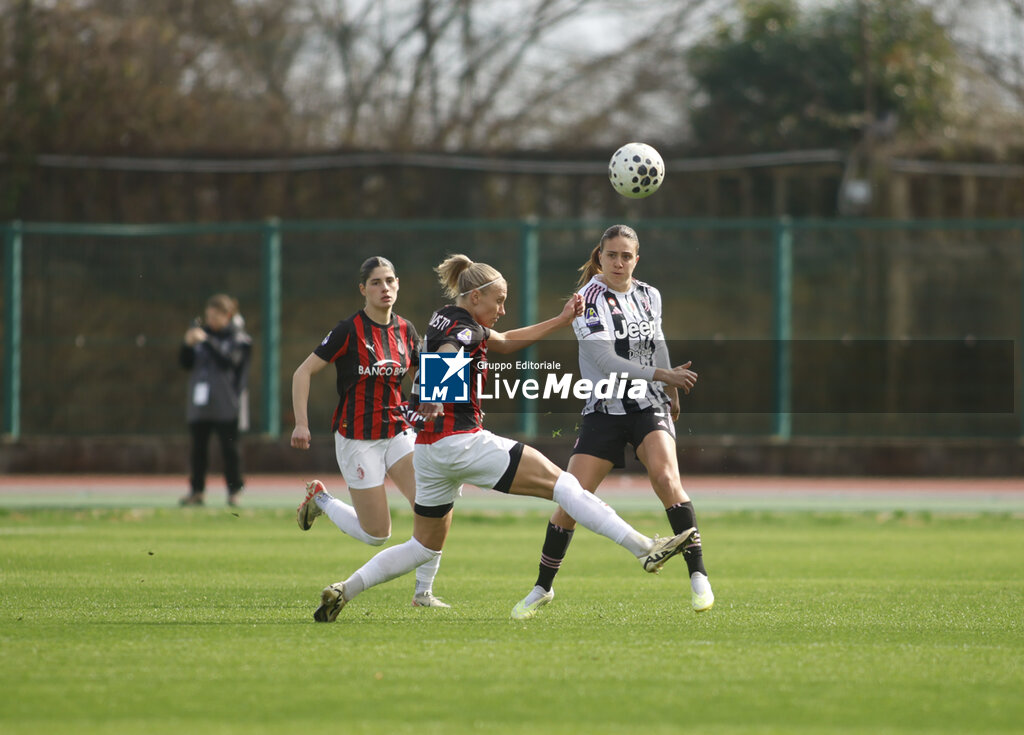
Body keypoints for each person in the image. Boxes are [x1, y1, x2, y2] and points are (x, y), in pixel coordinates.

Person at [310, 253, 702, 623]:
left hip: (428, 452)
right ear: (475, 296)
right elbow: (452, 349)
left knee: (423, 546)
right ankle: (644, 549)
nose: (502, 310)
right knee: (566, 485)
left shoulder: (447, 315)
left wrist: (561, 319)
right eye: (499, 302)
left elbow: (503, 341)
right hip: (461, 442)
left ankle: (346, 588)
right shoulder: (463, 328)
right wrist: (433, 392)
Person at [510, 224, 714, 619]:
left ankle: (698, 577)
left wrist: (669, 386)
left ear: (637, 259)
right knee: (571, 500)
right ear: (598, 257)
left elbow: (656, 341)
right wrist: (665, 376)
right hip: (603, 409)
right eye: (611, 255)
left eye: (626, 255)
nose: (619, 262)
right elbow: (605, 360)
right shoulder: (587, 299)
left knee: (666, 478)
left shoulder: (649, 294)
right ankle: (542, 588)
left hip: (646, 404)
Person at [291, 256, 448, 608]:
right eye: (376, 282)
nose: (385, 288)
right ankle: (320, 500)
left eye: (390, 281)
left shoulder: (406, 329)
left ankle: (423, 593)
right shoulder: (348, 330)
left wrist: (442, 405)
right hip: (356, 437)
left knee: (434, 504)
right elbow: (302, 372)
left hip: (397, 432)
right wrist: (301, 423)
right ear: (363, 289)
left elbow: (425, 378)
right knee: (378, 535)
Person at [179, 293, 252, 507]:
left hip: (227, 403)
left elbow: (228, 361)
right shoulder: (200, 336)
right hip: (200, 403)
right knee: (198, 448)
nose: (211, 321)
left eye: (215, 316)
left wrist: (207, 341)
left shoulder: (238, 339)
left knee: (230, 449)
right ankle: (197, 490)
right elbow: (185, 363)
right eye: (208, 316)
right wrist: (187, 343)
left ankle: (233, 491)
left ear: (227, 316)